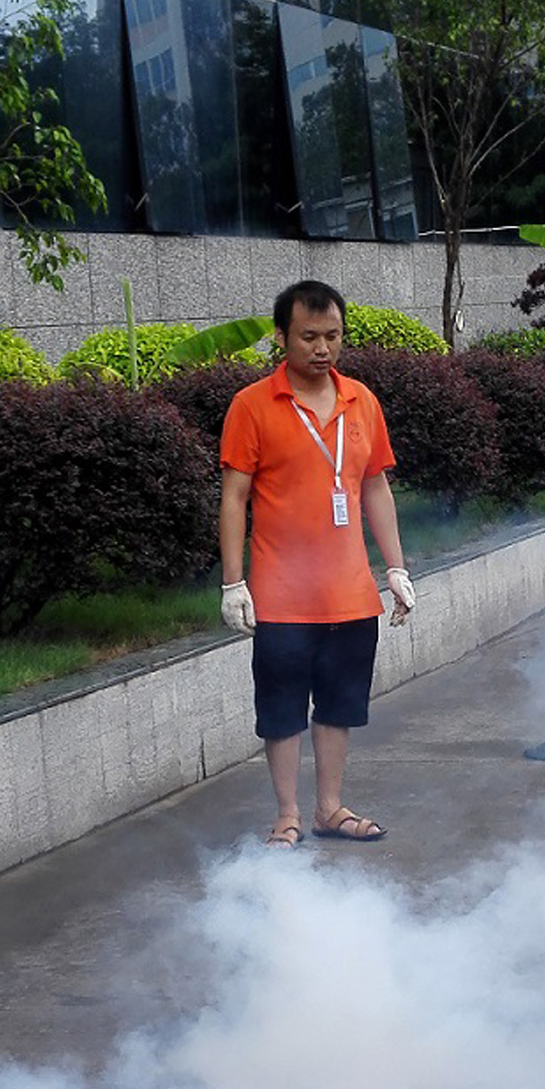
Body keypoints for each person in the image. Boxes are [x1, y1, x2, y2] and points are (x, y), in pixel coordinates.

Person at [218, 279, 416, 847]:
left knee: (339, 704)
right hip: (281, 594)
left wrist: (395, 570)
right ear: (282, 337)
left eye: (333, 335)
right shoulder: (253, 405)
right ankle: (288, 815)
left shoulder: (361, 400)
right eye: (308, 336)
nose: (322, 348)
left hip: (350, 592)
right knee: (281, 707)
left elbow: (374, 486)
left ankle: (329, 808)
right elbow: (234, 496)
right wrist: (235, 583)